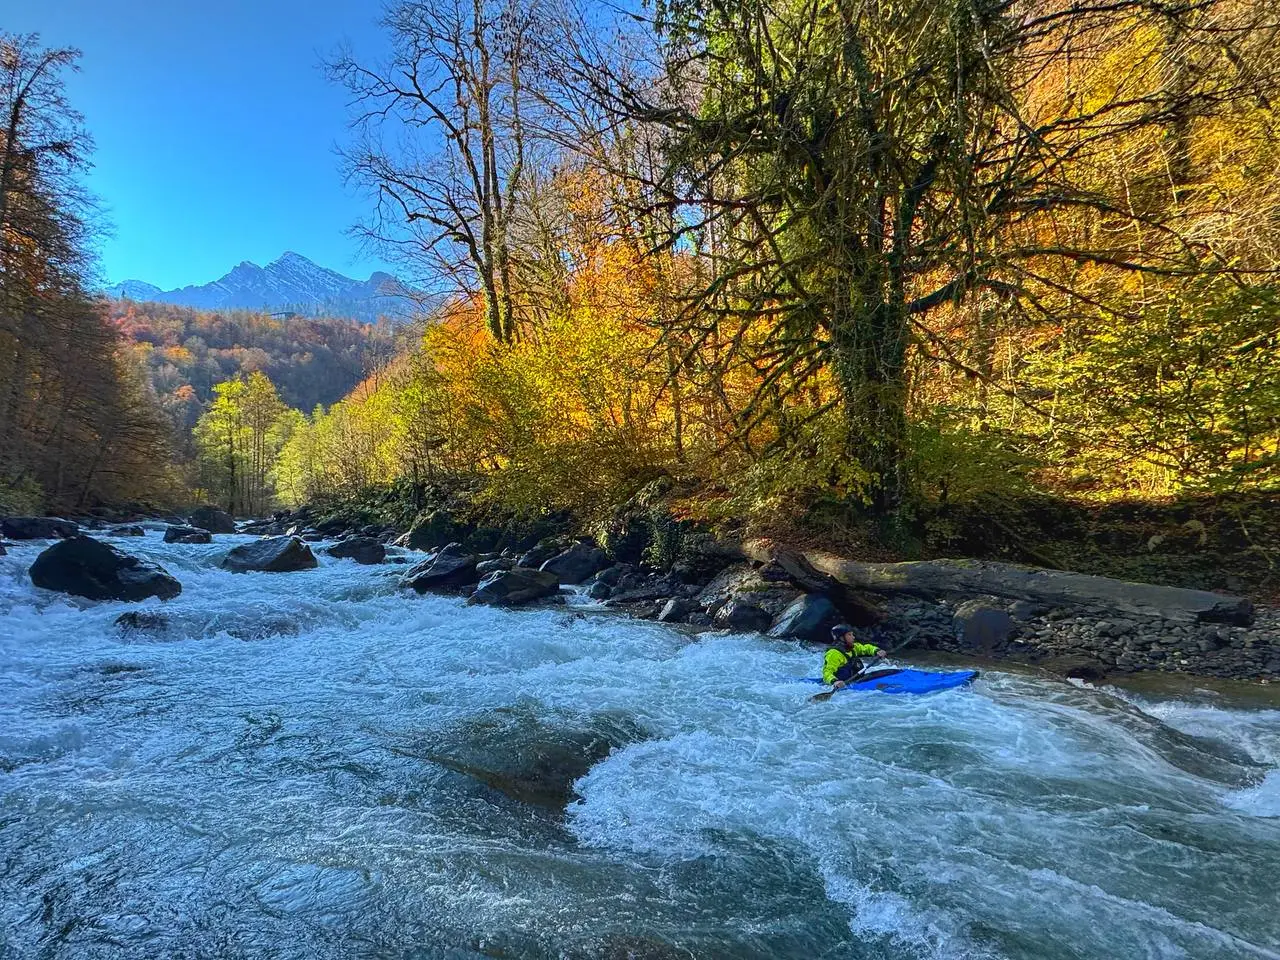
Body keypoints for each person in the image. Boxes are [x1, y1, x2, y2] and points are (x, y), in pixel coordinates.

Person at [822, 624, 887, 689]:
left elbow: (866, 648)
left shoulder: (853, 648)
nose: (853, 637)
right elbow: (827, 672)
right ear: (841, 638)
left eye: (852, 634)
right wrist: (834, 681)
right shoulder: (833, 654)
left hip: (857, 680)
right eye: (849, 635)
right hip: (844, 686)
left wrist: (877, 651)